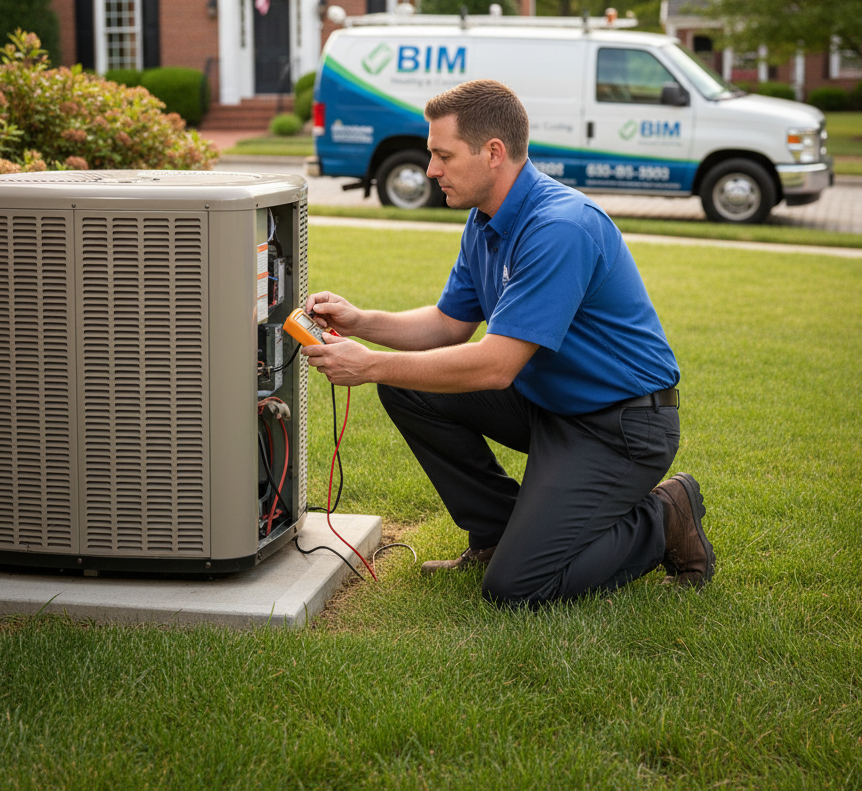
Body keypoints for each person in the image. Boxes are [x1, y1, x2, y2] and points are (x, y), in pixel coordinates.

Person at [302, 79, 715, 607]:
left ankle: (665, 516)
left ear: (493, 153)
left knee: (517, 589)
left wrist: (371, 365)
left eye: (442, 155)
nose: (431, 170)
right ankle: (497, 534)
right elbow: (449, 325)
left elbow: (496, 366)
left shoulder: (559, 228)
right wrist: (360, 321)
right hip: (550, 404)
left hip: (621, 425)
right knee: (410, 389)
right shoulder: (485, 222)